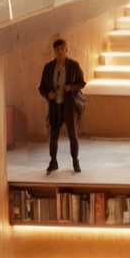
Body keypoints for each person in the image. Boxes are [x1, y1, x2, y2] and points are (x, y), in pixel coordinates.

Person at [39, 37, 85, 175]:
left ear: (66, 49)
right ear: (54, 51)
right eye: (57, 49)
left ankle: (75, 161)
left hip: (68, 106)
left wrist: (71, 87)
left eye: (62, 49)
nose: (59, 51)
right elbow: (41, 88)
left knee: (72, 133)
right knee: (53, 134)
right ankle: (53, 161)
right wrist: (48, 95)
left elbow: (81, 83)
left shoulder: (74, 65)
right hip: (55, 106)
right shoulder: (48, 68)